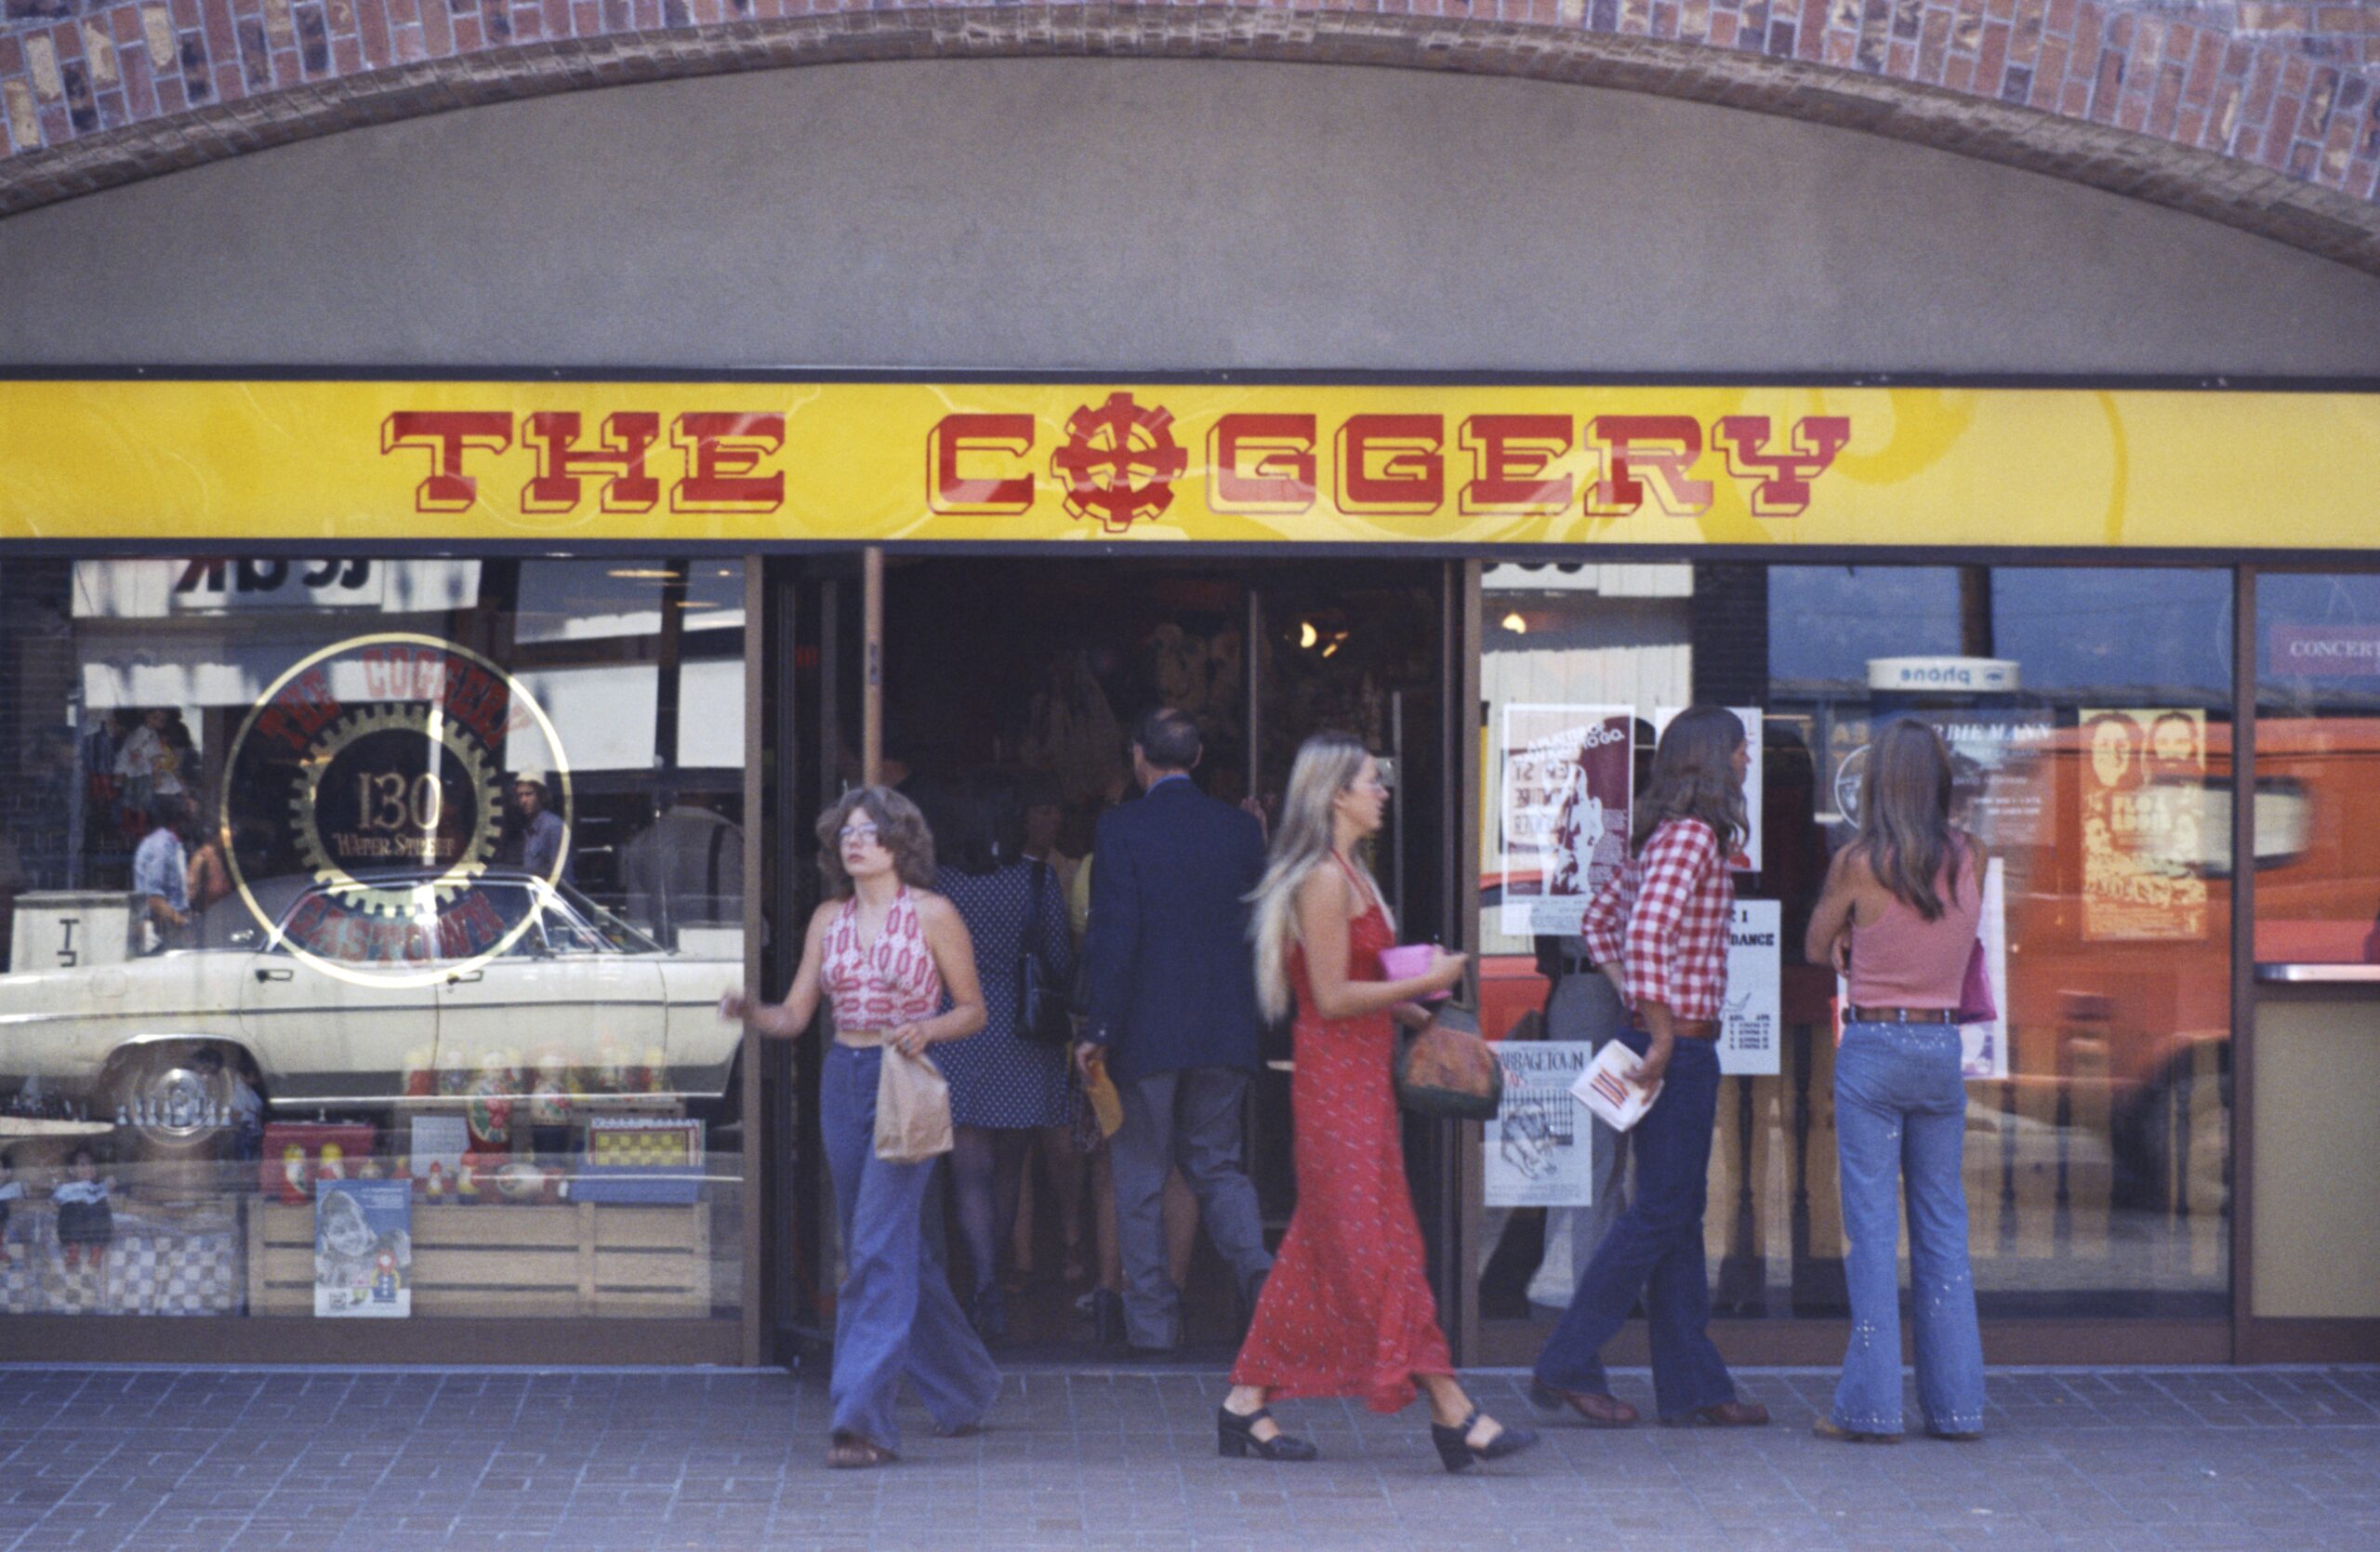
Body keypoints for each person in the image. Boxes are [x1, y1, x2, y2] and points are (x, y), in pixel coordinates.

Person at [1223, 732, 1537, 1472]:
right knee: (1374, 1249)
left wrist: (1437, 1023)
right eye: (1373, 780)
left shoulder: (1351, 871)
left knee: (1326, 1245)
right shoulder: (1326, 881)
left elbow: (1360, 986)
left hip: (1362, 1080)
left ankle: (1243, 1404)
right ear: (1336, 793)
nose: (1384, 791)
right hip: (1334, 1085)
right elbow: (1330, 997)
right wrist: (1433, 972)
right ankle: (1452, 1411)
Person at [720, 785, 998, 1467]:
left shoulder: (934, 913)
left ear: (901, 842)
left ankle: (861, 1420)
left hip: (904, 1077)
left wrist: (925, 1028)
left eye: (870, 830)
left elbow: (974, 1010)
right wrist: (751, 1010)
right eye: (846, 830)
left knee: (872, 1247)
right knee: (889, 1244)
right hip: (842, 1077)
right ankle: (965, 1386)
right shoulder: (826, 918)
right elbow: (794, 1016)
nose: (855, 839)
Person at [1529, 705, 1770, 1430]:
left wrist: (1638, 1004)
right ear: (1714, 757)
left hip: (1665, 1040)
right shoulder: (1693, 836)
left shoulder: (1664, 835)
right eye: (1740, 751)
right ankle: (1568, 1357)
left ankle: (1694, 1384)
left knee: (1677, 1214)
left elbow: (1601, 921)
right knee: (1663, 1211)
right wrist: (1660, 1026)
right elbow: (1640, 926)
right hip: (1678, 1047)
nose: (1746, 763)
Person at [1803, 719, 1988, 1443]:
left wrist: (1851, 934)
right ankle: (1958, 1408)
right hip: (1941, 1044)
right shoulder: (1974, 853)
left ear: (1879, 783)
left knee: (1874, 1232)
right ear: (1941, 783)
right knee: (1944, 1227)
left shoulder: (1858, 860)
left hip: (1876, 1041)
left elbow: (1818, 942)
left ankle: (1872, 1408)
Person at [1078, 707, 1272, 1352]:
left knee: (1139, 1175)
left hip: (1147, 1030)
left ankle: (1153, 1327)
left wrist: (1097, 1026)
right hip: (1226, 1029)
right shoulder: (1240, 831)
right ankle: (1263, 1280)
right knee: (1218, 1165)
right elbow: (1263, 921)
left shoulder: (1121, 826)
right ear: (1194, 760)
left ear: (1139, 757)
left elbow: (1114, 935)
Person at [932, 771, 1078, 1340]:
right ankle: (992, 1278)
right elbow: (1061, 961)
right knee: (1009, 1168)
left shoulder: (942, 884)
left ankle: (985, 1280)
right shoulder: (1038, 881)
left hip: (958, 1025)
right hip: (1020, 1028)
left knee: (968, 1172)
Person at [131, 792, 192, 952]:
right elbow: (154, 899)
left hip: (171, 929)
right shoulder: (161, 845)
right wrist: (184, 925)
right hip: (162, 935)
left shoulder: (171, 844)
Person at [514, 771, 572, 884]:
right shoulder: (529, 828)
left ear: (541, 795)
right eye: (520, 795)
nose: (524, 800)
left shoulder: (554, 827)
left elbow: (562, 877)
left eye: (529, 794)